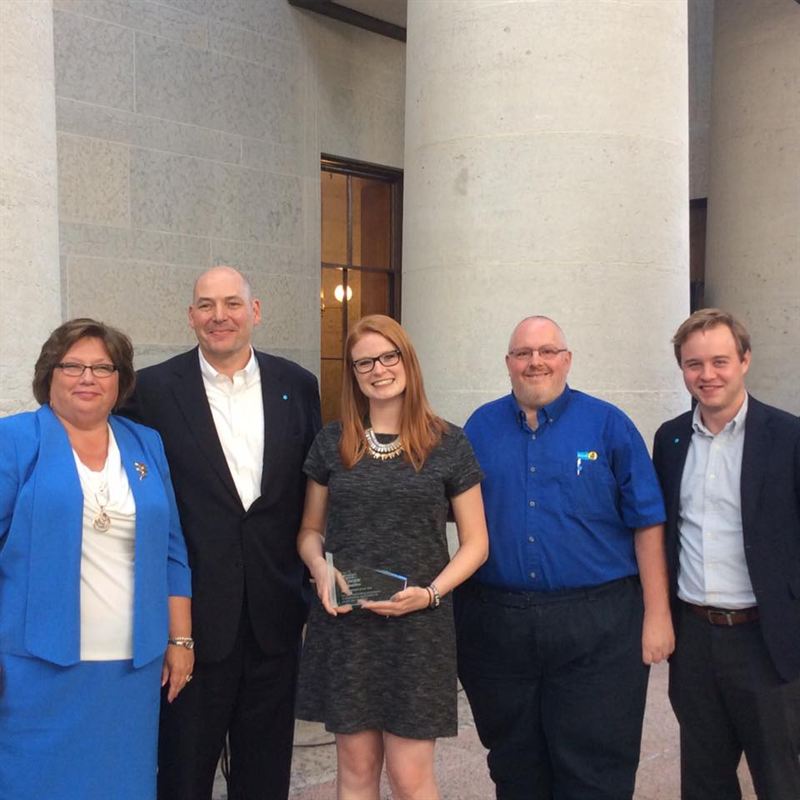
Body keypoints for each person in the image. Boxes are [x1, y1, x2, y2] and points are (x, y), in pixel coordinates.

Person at [121, 265, 321, 800]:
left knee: (265, 776)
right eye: (206, 305)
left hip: (275, 617)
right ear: (191, 316)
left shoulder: (298, 386)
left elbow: (313, 490)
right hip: (192, 621)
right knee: (183, 775)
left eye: (232, 303)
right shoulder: (151, 391)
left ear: (255, 312)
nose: (219, 316)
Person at [457, 315, 674, 800]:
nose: (535, 362)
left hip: (598, 627)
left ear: (567, 360)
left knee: (596, 771)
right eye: (523, 353)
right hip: (499, 627)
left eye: (547, 351)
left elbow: (647, 522)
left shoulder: (609, 426)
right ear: (508, 363)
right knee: (515, 767)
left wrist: (657, 615)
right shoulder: (479, 428)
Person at [296, 313, 489, 800]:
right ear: (353, 373)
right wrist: (320, 568)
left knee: (410, 777)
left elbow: (476, 543)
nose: (378, 369)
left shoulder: (448, 443)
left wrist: (430, 594)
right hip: (348, 625)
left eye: (389, 356)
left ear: (407, 361)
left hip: (418, 628)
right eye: (365, 362)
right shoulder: (332, 442)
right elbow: (310, 531)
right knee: (356, 772)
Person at [0, 318, 192, 799]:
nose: (88, 377)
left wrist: (181, 640)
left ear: (120, 380)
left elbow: (172, 552)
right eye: (73, 366)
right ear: (49, 374)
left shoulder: (145, 443)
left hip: (132, 670)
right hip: (37, 667)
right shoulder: (15, 440)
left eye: (102, 367)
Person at [652, 308, 800, 800]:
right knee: (704, 782)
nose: (707, 375)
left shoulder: (789, 437)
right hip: (695, 641)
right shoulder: (670, 439)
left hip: (768, 641)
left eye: (720, 361)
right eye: (694, 364)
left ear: (745, 360)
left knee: (781, 780)